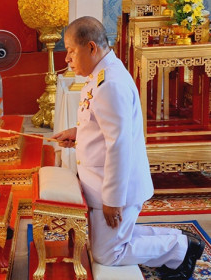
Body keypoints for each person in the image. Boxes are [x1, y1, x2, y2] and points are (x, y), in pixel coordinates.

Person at [52, 16, 205, 280]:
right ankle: (179, 241)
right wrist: (78, 134)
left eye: (71, 51)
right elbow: (104, 126)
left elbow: (119, 145)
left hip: (114, 188)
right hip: (100, 180)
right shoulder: (99, 73)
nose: (67, 58)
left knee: (107, 254)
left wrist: (113, 200)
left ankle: (178, 247)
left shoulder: (110, 83)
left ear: (91, 47)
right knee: (110, 241)